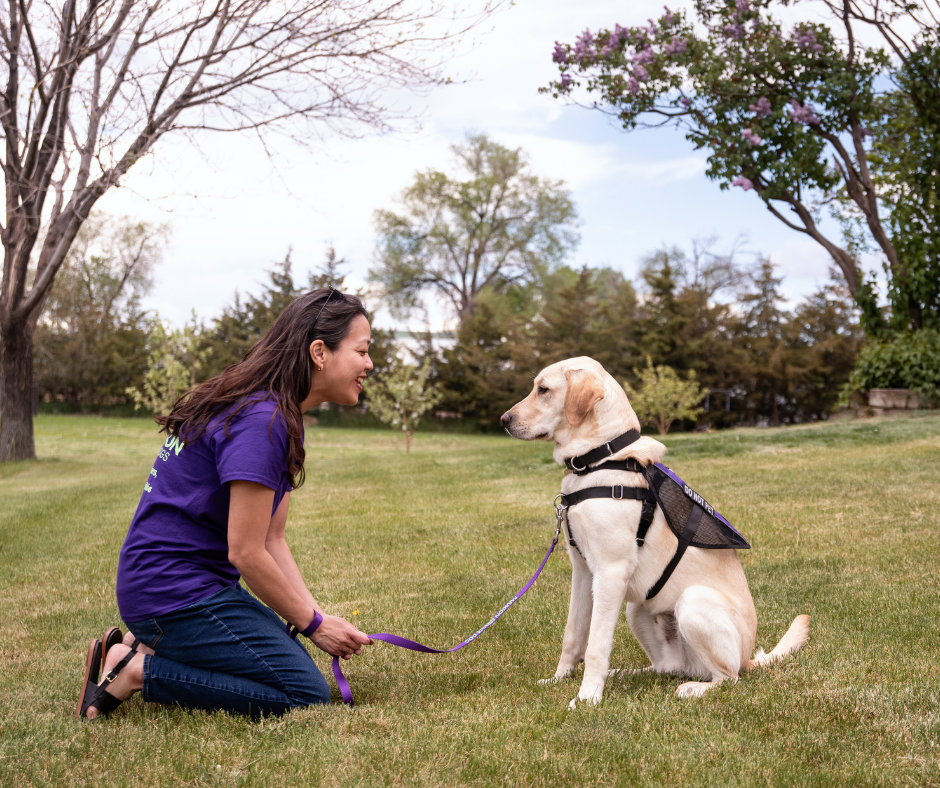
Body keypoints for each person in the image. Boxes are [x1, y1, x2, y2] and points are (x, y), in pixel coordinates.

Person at [77, 287, 374, 719]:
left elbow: (273, 539)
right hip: (171, 595)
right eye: (361, 351)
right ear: (319, 352)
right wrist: (314, 626)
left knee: (284, 665)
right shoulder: (262, 422)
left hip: (184, 588)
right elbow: (247, 552)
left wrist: (316, 618)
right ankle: (136, 670)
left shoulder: (278, 415)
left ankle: (131, 646)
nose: (369, 364)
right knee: (305, 691)